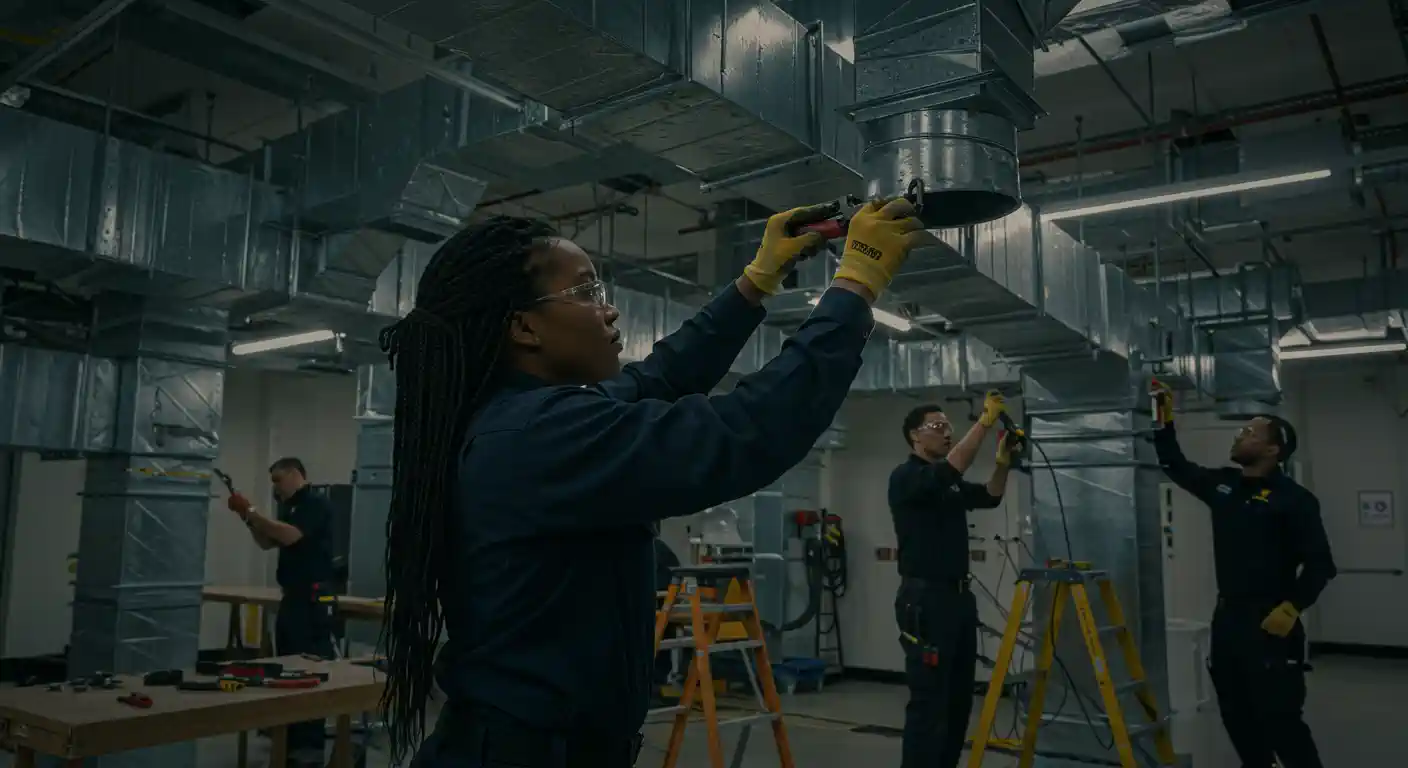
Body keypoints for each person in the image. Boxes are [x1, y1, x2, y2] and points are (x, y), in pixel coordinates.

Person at [376, 198, 927, 767]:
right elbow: (748, 431)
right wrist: (855, 283)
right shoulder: (535, 436)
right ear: (523, 326)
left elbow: (659, 377)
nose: (610, 310)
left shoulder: (521, 419)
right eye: (588, 292)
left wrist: (754, 282)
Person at [1150, 382, 1336, 768]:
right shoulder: (1225, 486)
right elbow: (1174, 465)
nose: (1240, 435)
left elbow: (1320, 564)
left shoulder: (1295, 500)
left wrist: (1292, 608)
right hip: (1229, 621)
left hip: (1271, 624)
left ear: (1273, 449)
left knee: (1281, 721)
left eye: (1249, 432)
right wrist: (1162, 417)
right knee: (1237, 716)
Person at [887, 395, 1018, 768]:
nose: (947, 433)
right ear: (915, 436)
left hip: (959, 601)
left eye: (949, 427)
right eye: (938, 427)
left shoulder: (950, 483)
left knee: (958, 701)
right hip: (925, 601)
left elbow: (990, 496)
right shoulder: (908, 477)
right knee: (929, 702)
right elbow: (950, 471)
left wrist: (1004, 463)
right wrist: (984, 424)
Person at [228, 457, 337, 767]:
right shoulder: (289, 508)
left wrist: (251, 511)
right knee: (288, 667)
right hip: (293, 599)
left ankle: (309, 746)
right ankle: (291, 739)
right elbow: (267, 542)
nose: (275, 487)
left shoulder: (314, 503)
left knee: (309, 668)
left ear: (295, 473)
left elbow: (289, 535)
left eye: (277, 480)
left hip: (312, 599)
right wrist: (246, 517)